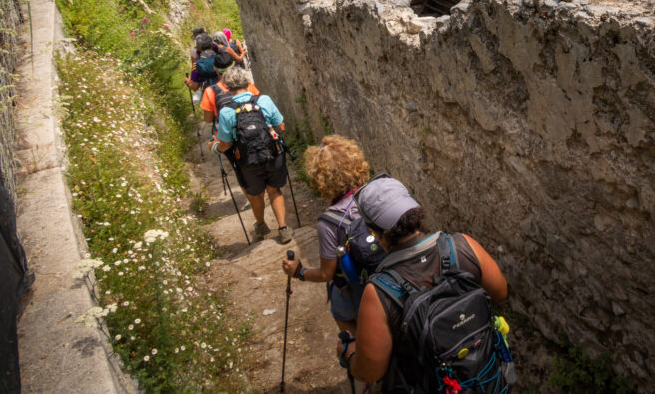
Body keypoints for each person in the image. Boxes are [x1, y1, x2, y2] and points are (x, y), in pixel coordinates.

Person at [338, 175, 508, 388]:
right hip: (487, 380)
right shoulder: (464, 246)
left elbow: (370, 372)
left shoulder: (379, 292)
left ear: (375, 232)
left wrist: (349, 356)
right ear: (414, 210)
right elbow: (500, 293)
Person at [280, 136, 381, 332]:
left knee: (340, 312)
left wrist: (299, 272)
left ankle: (356, 347)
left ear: (320, 178)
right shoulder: (375, 194)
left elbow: (327, 274)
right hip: (389, 279)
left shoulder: (329, 222)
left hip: (359, 292)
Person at [209, 66, 293, 244]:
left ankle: (261, 226)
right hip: (273, 153)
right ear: (248, 82)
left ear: (226, 87)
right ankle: (283, 228)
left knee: (256, 194)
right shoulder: (264, 100)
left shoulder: (226, 111)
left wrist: (215, 147)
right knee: (274, 190)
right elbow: (282, 127)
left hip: (247, 160)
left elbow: (226, 143)